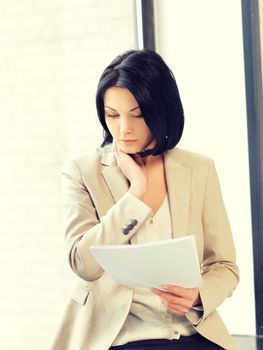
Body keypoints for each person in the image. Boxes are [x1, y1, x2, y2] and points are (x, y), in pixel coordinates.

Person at [49, 49, 239, 350]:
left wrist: (198, 295)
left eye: (137, 114)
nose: (123, 128)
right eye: (112, 115)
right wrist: (137, 192)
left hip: (190, 332)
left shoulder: (198, 169)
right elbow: (82, 263)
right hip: (117, 336)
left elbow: (225, 265)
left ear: (160, 110)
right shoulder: (82, 171)